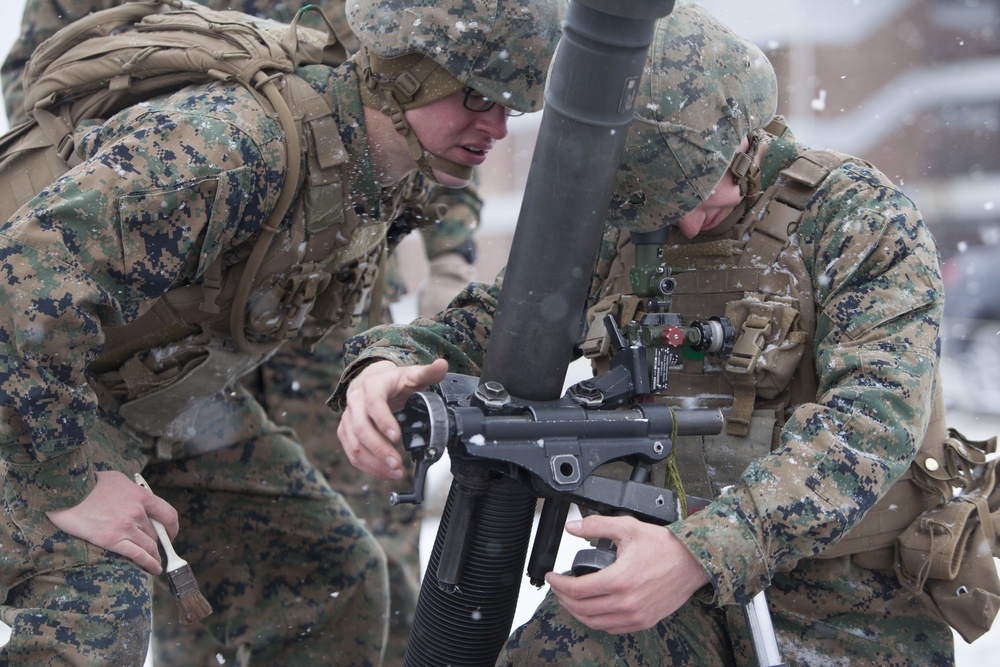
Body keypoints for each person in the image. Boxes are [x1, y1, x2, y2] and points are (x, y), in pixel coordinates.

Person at [332, 2, 982, 664]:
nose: (687, 227)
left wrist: (701, 552)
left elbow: (869, 425)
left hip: (845, 602)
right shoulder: (625, 228)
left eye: (699, 196)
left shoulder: (859, 220)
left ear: (740, 135)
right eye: (662, 210)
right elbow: (490, 324)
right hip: (657, 588)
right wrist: (384, 367)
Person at [0, 0, 563, 664]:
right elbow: (21, 277)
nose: (496, 125)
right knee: (98, 597)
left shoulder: (386, 170)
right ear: (405, 74)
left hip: (143, 395)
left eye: (510, 105)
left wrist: (381, 363)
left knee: (331, 576)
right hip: (28, 384)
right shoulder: (234, 147)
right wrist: (71, 484)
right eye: (476, 95)